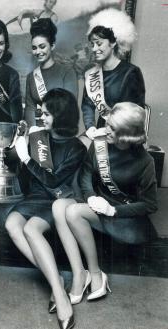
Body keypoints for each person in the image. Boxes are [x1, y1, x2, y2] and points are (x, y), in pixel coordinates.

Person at [52, 102, 157, 311]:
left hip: (124, 218)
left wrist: (113, 210)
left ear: (128, 134)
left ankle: (96, 273)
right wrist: (90, 196)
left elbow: (149, 204)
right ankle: (80, 273)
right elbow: (85, 174)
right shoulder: (100, 143)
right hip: (97, 205)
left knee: (72, 212)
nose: (106, 130)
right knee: (58, 206)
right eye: (107, 124)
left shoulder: (145, 161)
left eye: (113, 128)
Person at [5, 88, 86, 329]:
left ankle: (60, 296)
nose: (42, 118)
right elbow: (21, 174)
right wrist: (17, 147)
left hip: (57, 199)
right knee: (11, 224)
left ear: (61, 116)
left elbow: (53, 181)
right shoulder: (38, 136)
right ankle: (57, 280)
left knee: (30, 229)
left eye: (47, 114)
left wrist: (28, 159)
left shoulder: (77, 148)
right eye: (42, 113)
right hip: (35, 197)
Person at [82, 8, 145, 140]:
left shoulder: (131, 73)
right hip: (98, 132)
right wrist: (90, 127)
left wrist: (108, 131)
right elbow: (87, 104)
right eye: (92, 44)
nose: (94, 49)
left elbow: (134, 114)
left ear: (113, 42)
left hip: (123, 136)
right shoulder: (91, 74)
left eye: (99, 44)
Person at [24, 18, 78, 126]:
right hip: (39, 134)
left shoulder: (67, 72)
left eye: (42, 47)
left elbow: (70, 108)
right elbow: (30, 109)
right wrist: (34, 132)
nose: (38, 52)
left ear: (52, 46)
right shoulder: (31, 77)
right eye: (34, 48)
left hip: (62, 130)